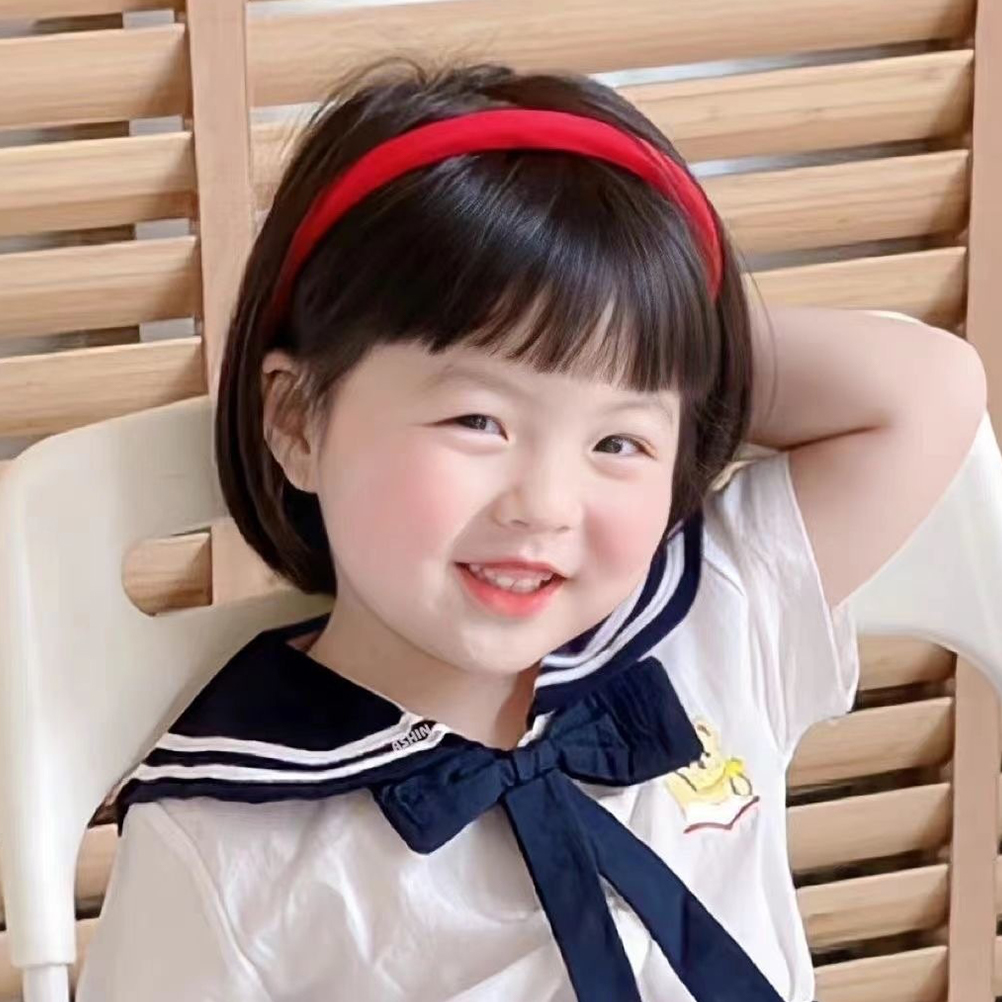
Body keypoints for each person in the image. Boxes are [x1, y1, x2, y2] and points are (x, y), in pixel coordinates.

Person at [76, 56, 986, 1002]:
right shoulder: (220, 843)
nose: (545, 504)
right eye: (479, 420)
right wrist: (604, 355)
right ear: (299, 420)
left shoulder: (712, 612)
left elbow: (931, 392)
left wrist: (655, 328)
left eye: (618, 442)